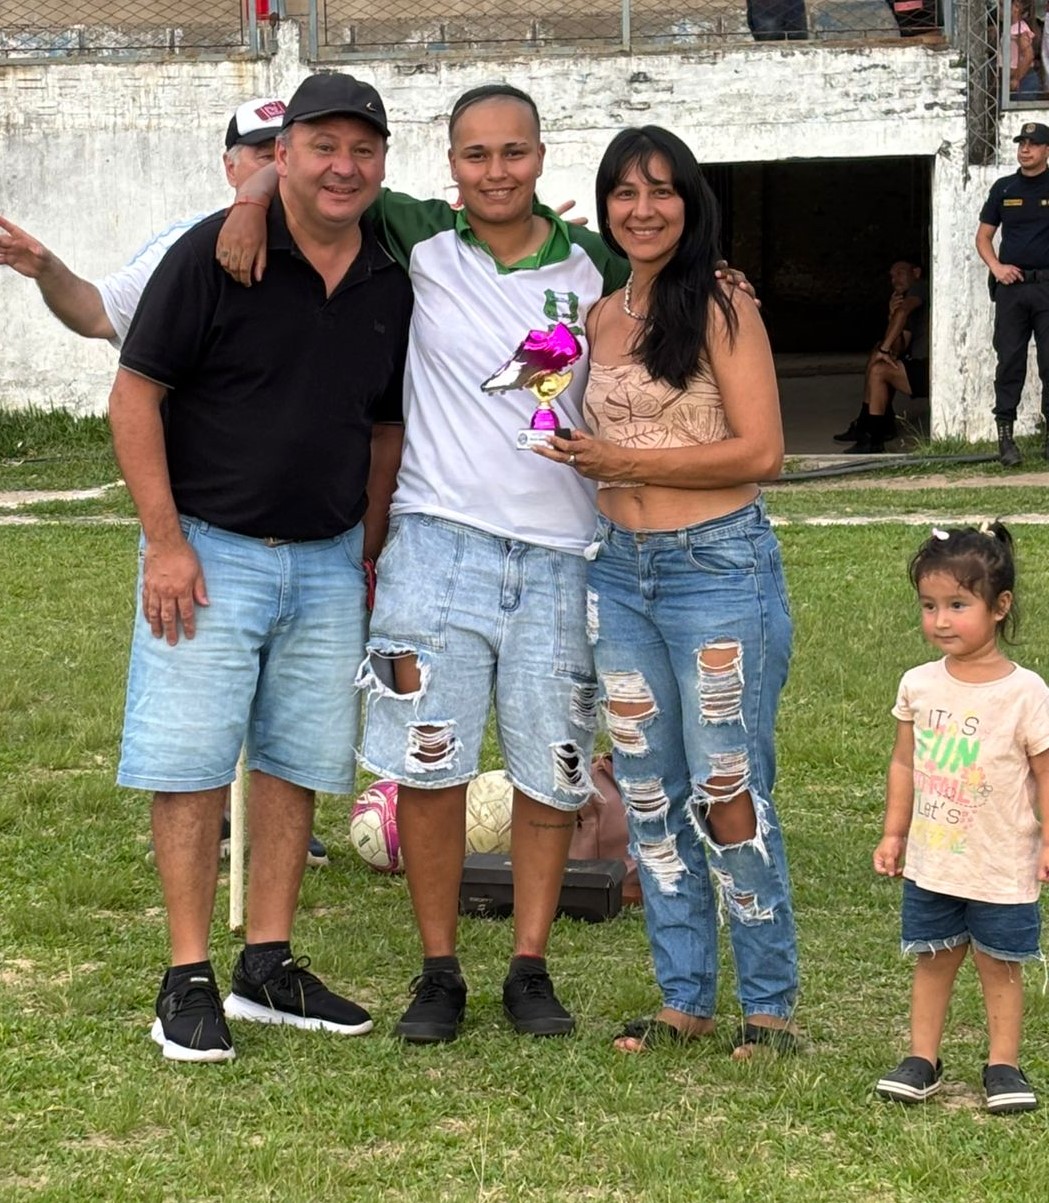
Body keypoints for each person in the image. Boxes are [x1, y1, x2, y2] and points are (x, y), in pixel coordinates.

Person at [217, 84, 753, 1046]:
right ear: (451, 163)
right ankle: (439, 970)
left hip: (561, 554)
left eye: (513, 152)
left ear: (540, 156)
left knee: (551, 766)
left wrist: (722, 276)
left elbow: (672, 271)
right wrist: (250, 202)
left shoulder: (592, 260)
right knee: (431, 766)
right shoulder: (415, 233)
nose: (495, 171)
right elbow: (304, 178)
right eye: (475, 154)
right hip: (435, 544)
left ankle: (529, 966)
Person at [110, 72, 412, 1062]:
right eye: (322, 145)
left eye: (362, 149)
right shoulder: (213, 253)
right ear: (281, 156)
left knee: (295, 762)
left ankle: (267, 965)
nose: (343, 166)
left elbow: (383, 428)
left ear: (381, 162)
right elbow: (134, 395)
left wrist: (366, 550)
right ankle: (186, 975)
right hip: (209, 552)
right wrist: (165, 542)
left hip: (326, 562)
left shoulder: (387, 275)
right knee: (190, 766)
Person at [0, 97, 330, 867]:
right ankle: (210, 819)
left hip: (308, 515)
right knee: (203, 675)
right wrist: (47, 269)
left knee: (288, 681)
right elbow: (97, 313)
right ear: (230, 166)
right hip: (205, 508)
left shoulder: (343, 242)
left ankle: (272, 823)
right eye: (259, 152)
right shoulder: (183, 247)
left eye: (285, 148)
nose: (274, 165)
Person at [536, 126, 799, 1056]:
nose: (641, 210)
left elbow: (763, 451)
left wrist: (622, 459)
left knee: (728, 788)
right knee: (647, 793)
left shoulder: (723, 304)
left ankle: (768, 1004)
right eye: (623, 192)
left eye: (660, 191)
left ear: (690, 202)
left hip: (715, 567)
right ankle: (683, 997)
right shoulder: (597, 318)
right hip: (619, 571)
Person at [872, 523, 1049, 1113]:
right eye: (929, 606)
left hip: (1002, 861)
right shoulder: (918, 685)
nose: (940, 620)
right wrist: (894, 832)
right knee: (933, 958)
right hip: (934, 860)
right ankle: (922, 1060)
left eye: (957, 605)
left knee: (1000, 966)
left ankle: (1003, 1065)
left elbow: (1045, 773)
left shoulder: (1027, 693)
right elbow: (904, 763)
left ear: (1000, 607)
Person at [975, 121, 1049, 467]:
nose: (1025, 149)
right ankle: (1006, 439)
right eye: (1022, 143)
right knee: (1009, 362)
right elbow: (983, 237)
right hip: (1012, 290)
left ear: (1046, 150)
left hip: (1047, 287)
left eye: (1033, 144)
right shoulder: (1004, 188)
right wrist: (997, 267)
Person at [835, 257, 929, 454]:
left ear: (916, 273)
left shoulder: (920, 288)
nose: (895, 280)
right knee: (877, 354)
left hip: (929, 368)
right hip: (919, 365)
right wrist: (891, 316)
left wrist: (885, 350)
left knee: (879, 369)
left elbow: (902, 315)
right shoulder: (906, 302)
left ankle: (873, 438)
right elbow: (899, 347)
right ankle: (868, 424)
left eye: (900, 273)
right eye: (892, 276)